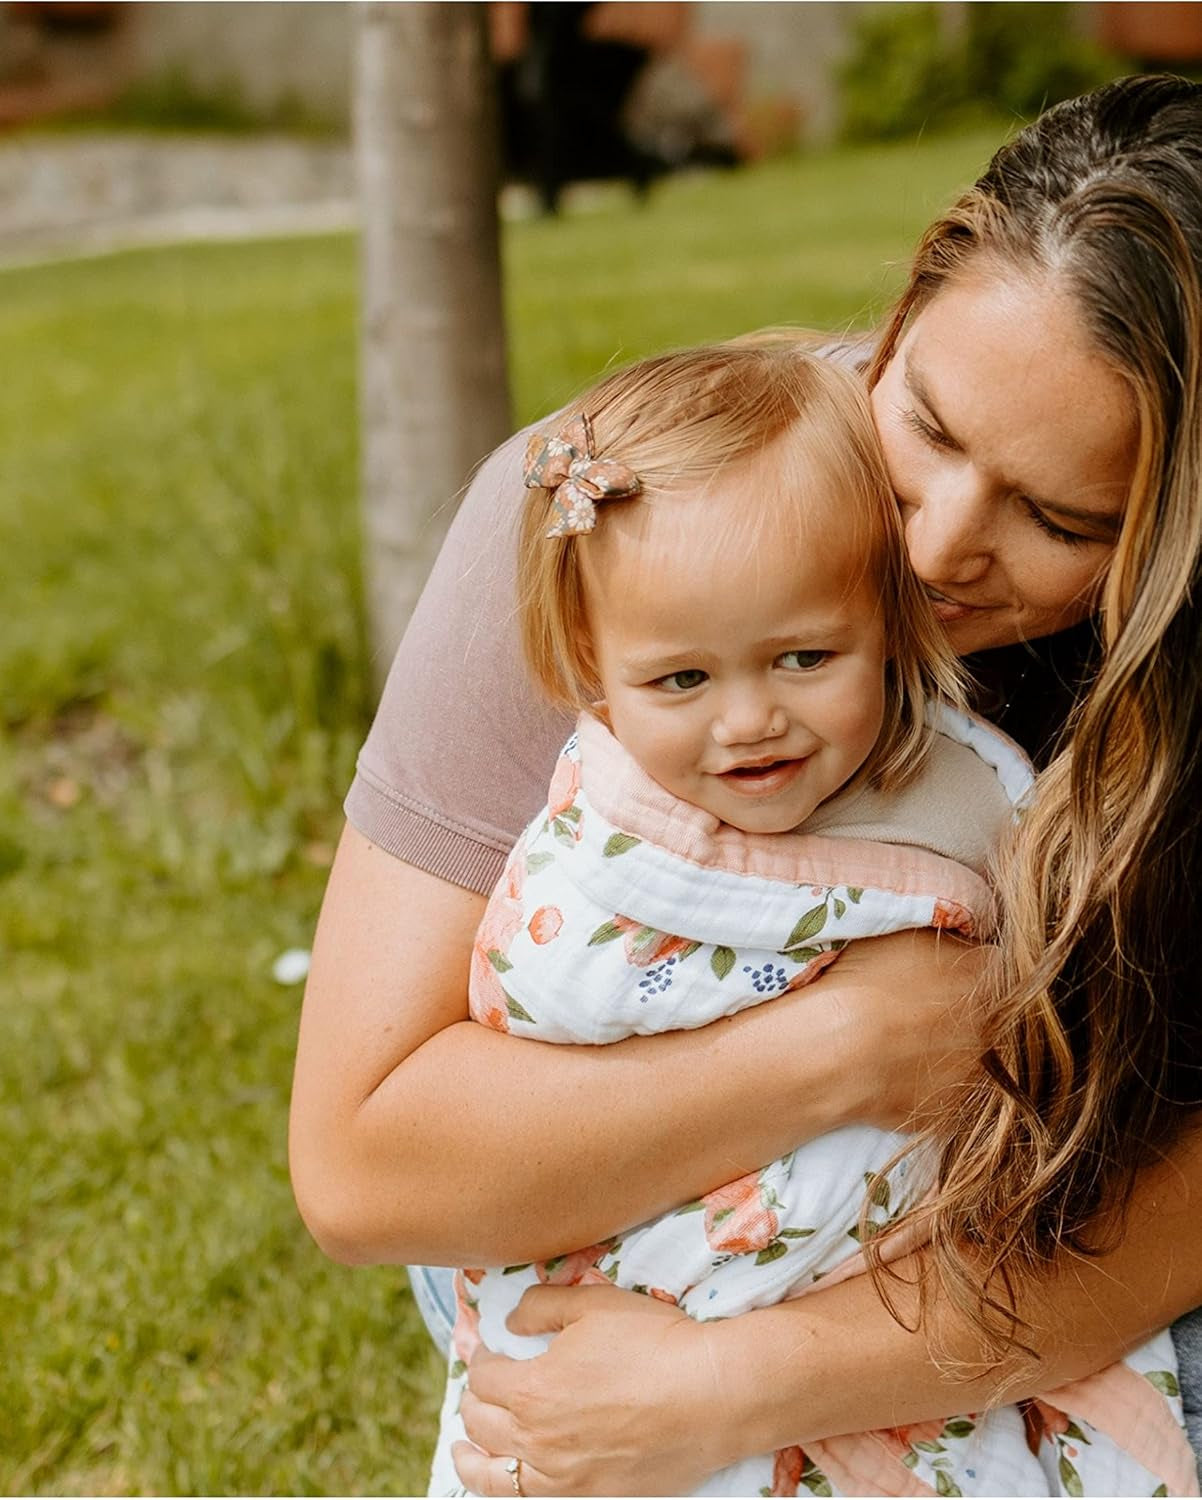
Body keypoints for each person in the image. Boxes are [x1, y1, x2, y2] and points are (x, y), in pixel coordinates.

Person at [289, 73, 1202, 1497]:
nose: (941, 546)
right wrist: (844, 1047)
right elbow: (363, 1173)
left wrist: (739, 1387)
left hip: (1028, 1259)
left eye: (1061, 517)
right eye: (931, 430)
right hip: (616, 1212)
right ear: (898, 318)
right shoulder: (619, 527)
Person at [421, 340, 1191, 1498]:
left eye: (803, 658)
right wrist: (843, 1046)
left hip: (921, 1296)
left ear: (883, 623)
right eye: (681, 681)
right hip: (637, 1250)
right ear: (590, 665)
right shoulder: (611, 842)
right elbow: (537, 1010)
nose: (748, 724)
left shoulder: (964, 785)